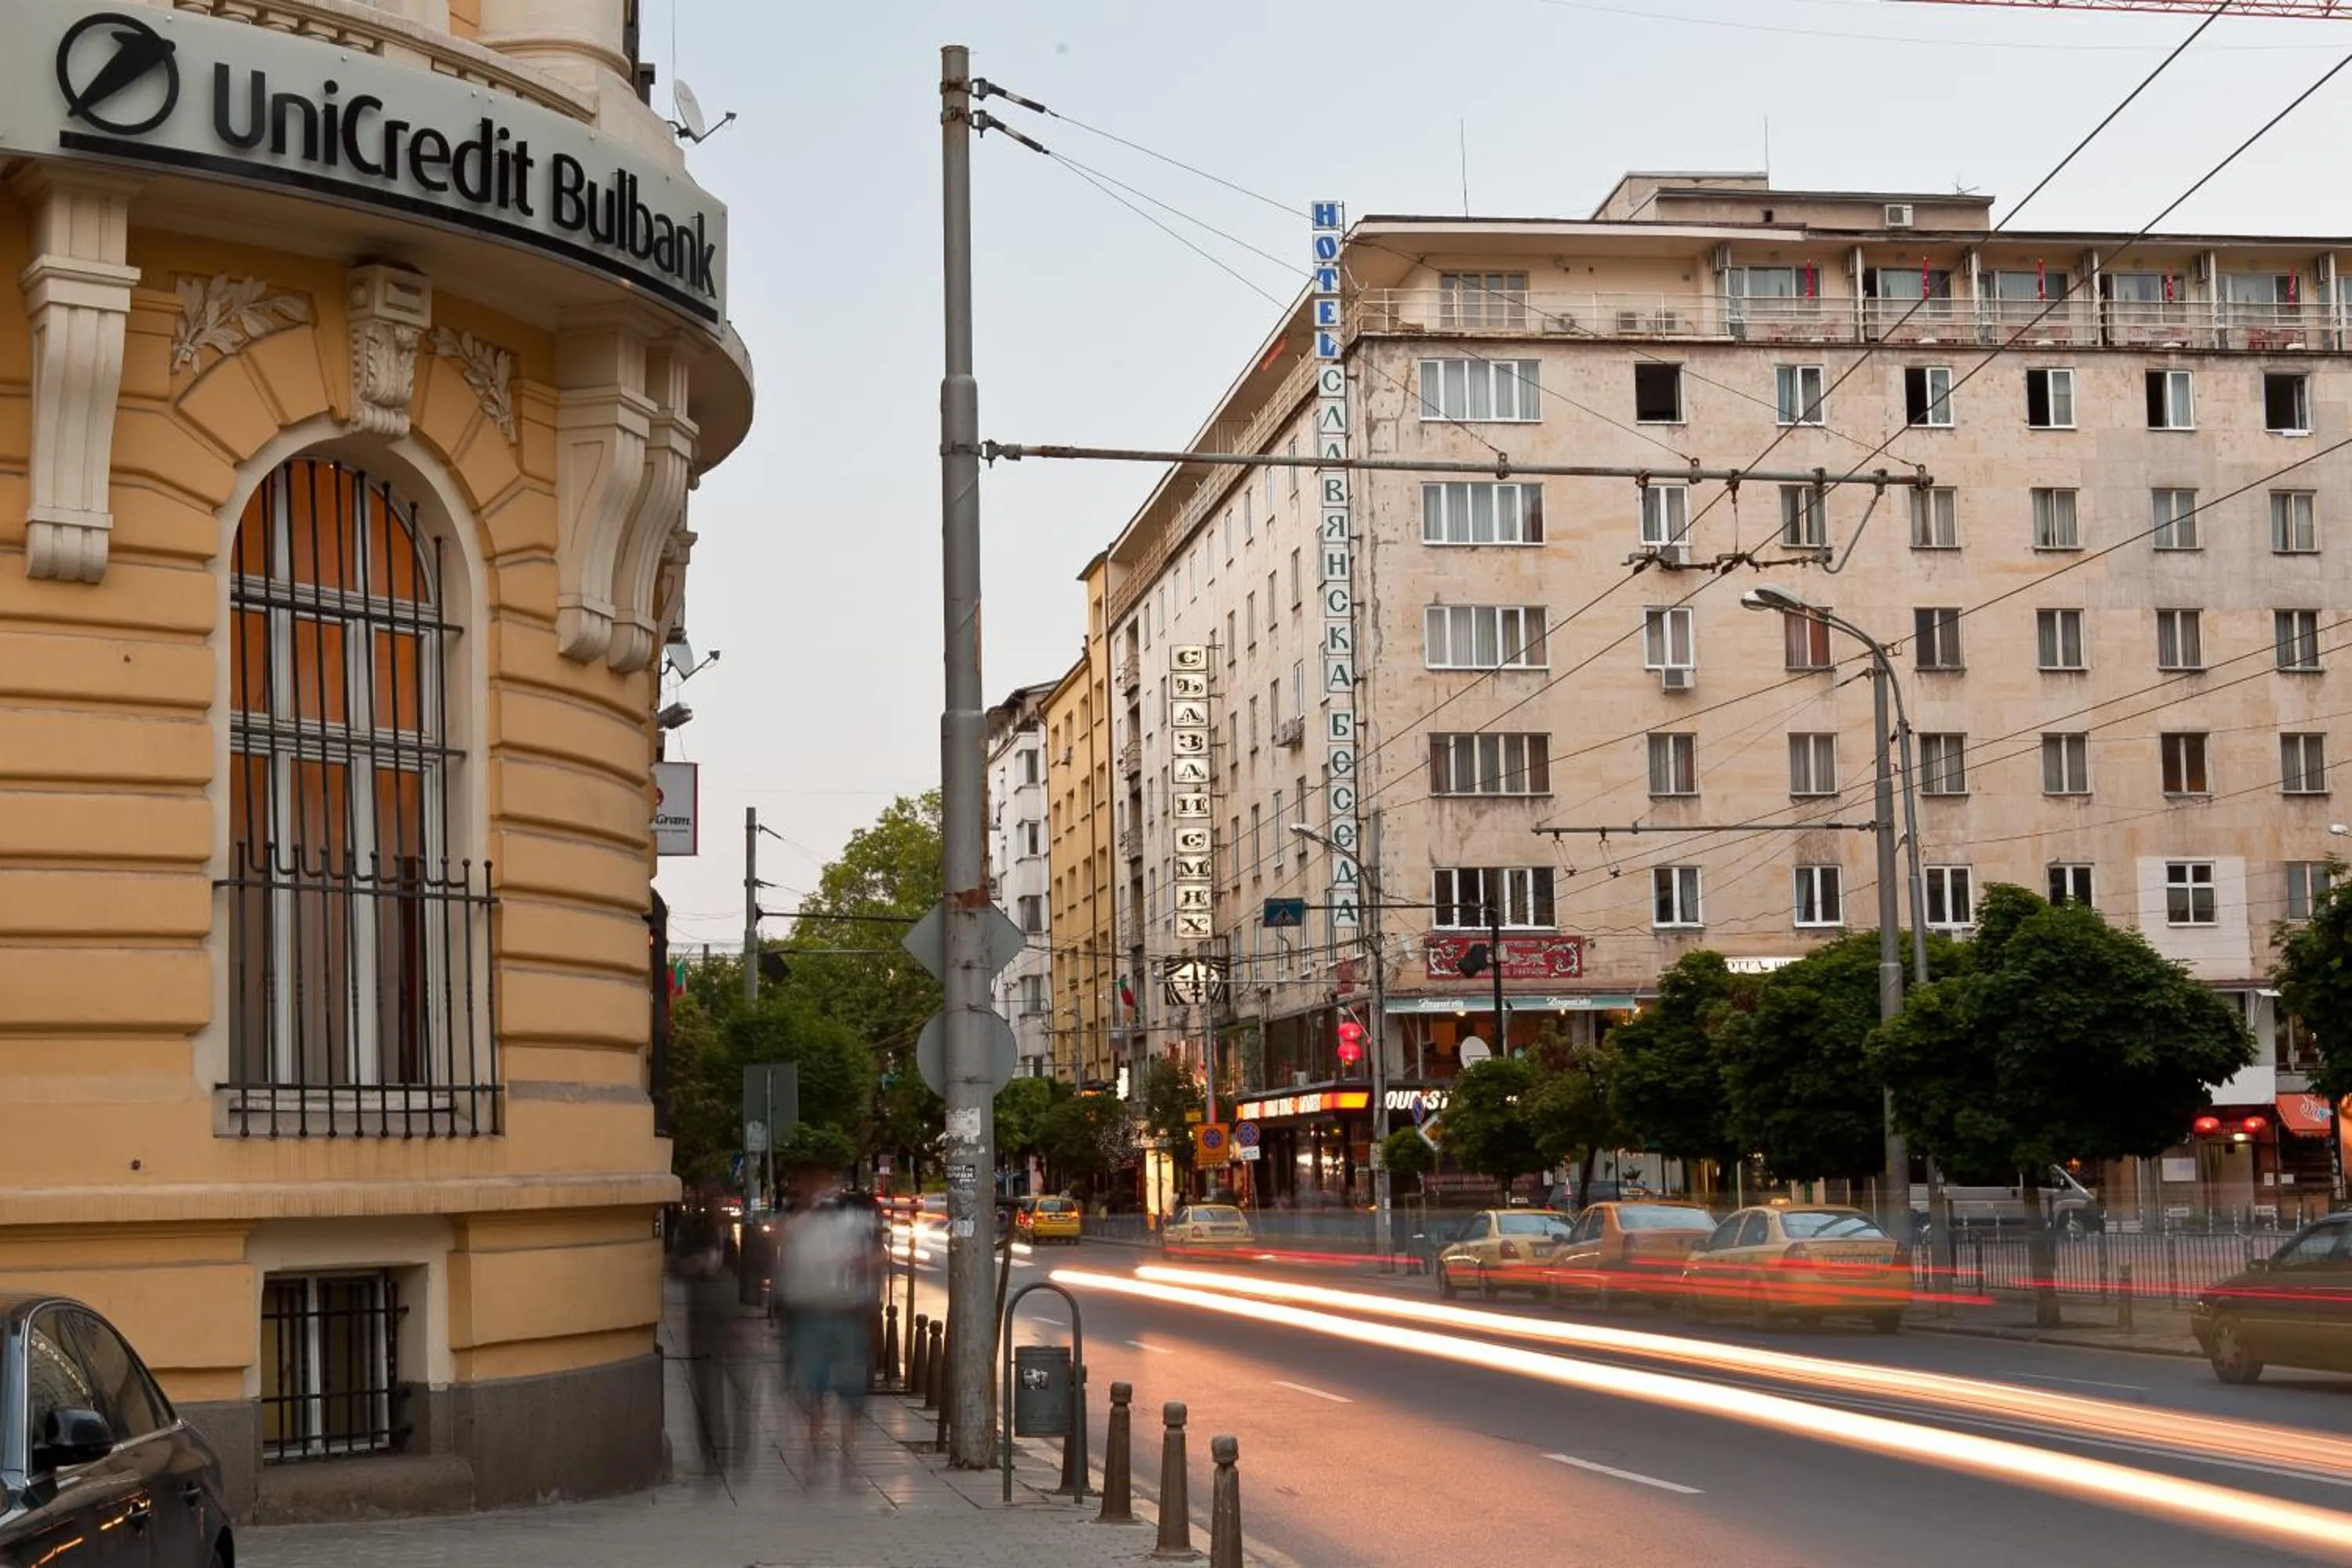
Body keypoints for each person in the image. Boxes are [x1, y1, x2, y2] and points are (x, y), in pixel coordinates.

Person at [776, 1175, 879, 1467]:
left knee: (846, 1383)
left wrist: (861, 1263)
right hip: (815, 1313)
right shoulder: (802, 1224)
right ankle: (817, 1444)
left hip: (846, 1312)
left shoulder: (855, 1223)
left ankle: (846, 1447)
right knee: (816, 1382)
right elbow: (781, 1244)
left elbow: (877, 1255)